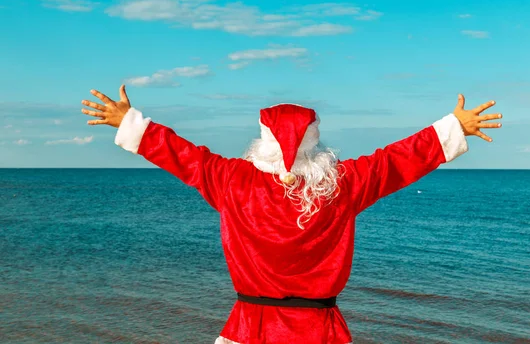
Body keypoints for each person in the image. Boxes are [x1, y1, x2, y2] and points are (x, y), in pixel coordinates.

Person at [81, 85, 502, 344]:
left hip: (251, 329)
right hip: (319, 332)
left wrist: (130, 121)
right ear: (315, 143)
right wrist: (453, 128)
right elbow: (395, 161)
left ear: (261, 141)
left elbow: (183, 156)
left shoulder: (231, 180)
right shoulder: (342, 184)